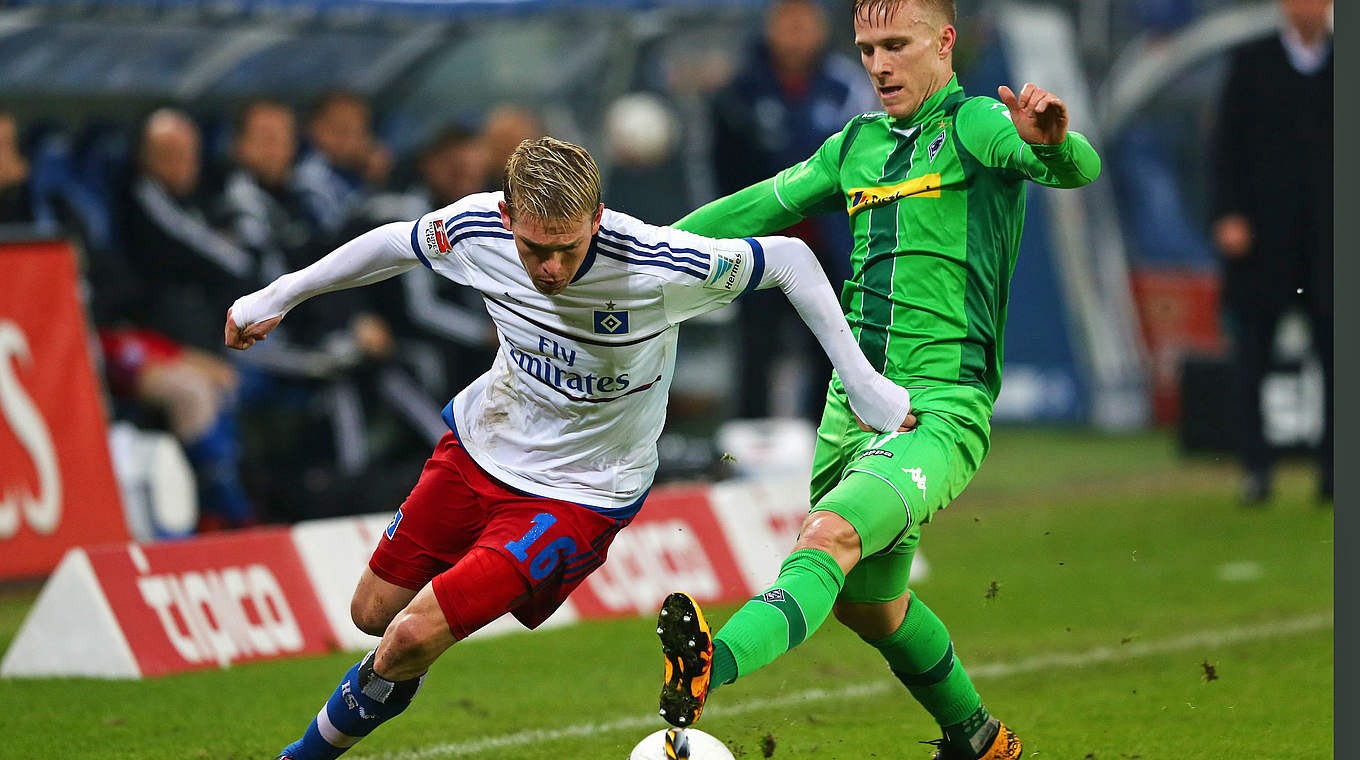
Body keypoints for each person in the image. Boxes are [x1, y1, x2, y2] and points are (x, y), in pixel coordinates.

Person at [226, 136, 913, 760]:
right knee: (372, 614)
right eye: (534, 249)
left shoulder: (655, 263)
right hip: (483, 446)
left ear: (598, 218)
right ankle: (405, 660)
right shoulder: (474, 228)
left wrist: (861, 382)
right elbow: (394, 243)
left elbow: (790, 259)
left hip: (583, 491)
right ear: (505, 218)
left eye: (568, 247)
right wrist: (280, 294)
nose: (550, 267)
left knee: (407, 635)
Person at [654, 2, 1101, 759]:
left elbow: (1073, 166)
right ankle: (979, 738)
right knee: (871, 604)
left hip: (939, 407)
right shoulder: (854, 146)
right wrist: (640, 248)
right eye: (866, 49)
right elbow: (754, 206)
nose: (880, 65)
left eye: (897, 45)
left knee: (829, 536)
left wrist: (1054, 142)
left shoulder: (978, 128)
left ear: (945, 43)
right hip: (851, 404)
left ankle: (706, 668)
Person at [709, 0, 879, 418]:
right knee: (756, 346)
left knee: (831, 346)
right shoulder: (740, 93)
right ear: (771, 29)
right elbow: (724, 165)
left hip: (829, 246)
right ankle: (747, 441)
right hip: (759, 246)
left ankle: (820, 436)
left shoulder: (845, 86)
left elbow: (865, 160)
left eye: (804, 25)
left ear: (820, 30)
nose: (796, 35)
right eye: (787, 25)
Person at [1210, 0, 1332, 505]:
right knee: (1252, 356)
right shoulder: (1251, 60)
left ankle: (1334, 471)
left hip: (1328, 241)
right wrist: (1229, 213)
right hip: (1261, 241)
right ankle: (1255, 469)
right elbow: (1224, 145)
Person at [296, 91, 390, 235]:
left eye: (358, 130)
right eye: (341, 129)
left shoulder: (355, 171)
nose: (349, 138)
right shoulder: (310, 174)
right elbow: (332, 232)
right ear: (315, 127)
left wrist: (376, 180)